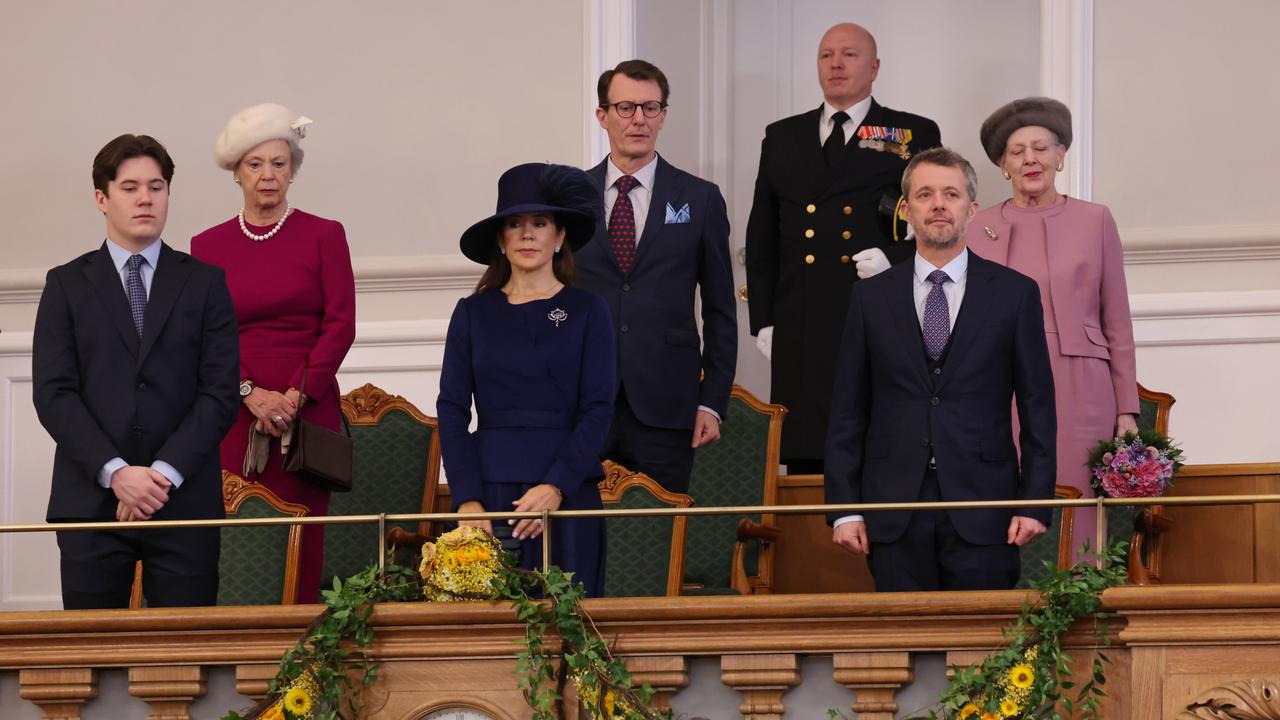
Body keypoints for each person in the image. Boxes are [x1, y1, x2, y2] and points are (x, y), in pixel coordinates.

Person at [825, 147, 1057, 591]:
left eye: (950, 194)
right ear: (907, 209)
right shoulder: (869, 299)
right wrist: (845, 509)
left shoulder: (1014, 294)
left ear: (971, 209)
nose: (938, 205)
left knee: (984, 648)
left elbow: (1038, 409)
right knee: (902, 652)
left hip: (985, 506)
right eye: (925, 194)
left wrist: (1034, 503)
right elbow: (847, 412)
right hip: (892, 510)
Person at [33, 134, 240, 608]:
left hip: (184, 504)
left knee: (187, 665)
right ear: (102, 198)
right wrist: (118, 473)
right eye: (130, 187)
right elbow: (54, 393)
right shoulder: (65, 284)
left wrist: (161, 475)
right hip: (91, 503)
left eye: (157, 186)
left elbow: (219, 393)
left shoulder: (206, 282)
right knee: (90, 662)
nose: (145, 198)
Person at [746, 22, 942, 474]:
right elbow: (763, 236)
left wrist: (895, 259)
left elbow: (938, 221)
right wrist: (764, 319)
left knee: (879, 447)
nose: (836, 64)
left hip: (876, 305)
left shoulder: (911, 133)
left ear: (874, 67)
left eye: (849, 55)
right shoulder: (782, 135)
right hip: (801, 317)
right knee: (807, 455)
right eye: (826, 55)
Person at [191, 103, 356, 603]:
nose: (268, 175)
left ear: (294, 170)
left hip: (305, 418)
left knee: (300, 545)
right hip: (231, 412)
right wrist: (249, 393)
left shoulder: (325, 234)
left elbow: (340, 325)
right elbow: (205, 335)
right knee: (231, 547)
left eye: (279, 164)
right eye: (256, 164)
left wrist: (291, 397)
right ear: (236, 171)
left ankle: (299, 663)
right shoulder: (207, 246)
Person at [966, 97, 1139, 561]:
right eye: (1017, 151)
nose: (1030, 160)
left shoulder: (1095, 219)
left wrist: (1127, 408)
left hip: (1082, 383)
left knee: (1079, 501)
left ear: (1061, 156)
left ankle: (1080, 606)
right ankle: (1009, 604)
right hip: (1000, 387)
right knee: (1007, 491)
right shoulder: (976, 227)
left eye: (1041, 148)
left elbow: (1117, 321)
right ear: (1002, 164)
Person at [438, 163, 614, 596]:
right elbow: (452, 408)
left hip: (567, 494)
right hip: (489, 493)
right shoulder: (472, 313)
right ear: (501, 239)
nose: (528, 234)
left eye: (540, 223)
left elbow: (598, 408)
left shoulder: (589, 310)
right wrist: (467, 499)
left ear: (560, 236)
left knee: (570, 629)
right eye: (515, 224)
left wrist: (556, 486)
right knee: (489, 641)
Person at [576, 59, 737, 494]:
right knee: (579, 538)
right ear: (602, 116)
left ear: (663, 115)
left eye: (650, 108)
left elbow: (722, 310)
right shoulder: (571, 198)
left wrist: (713, 401)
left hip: (669, 405)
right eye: (625, 107)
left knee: (662, 539)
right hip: (584, 401)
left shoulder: (700, 199)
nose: (638, 120)